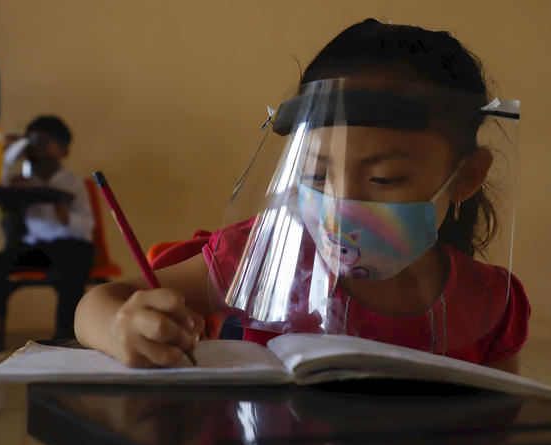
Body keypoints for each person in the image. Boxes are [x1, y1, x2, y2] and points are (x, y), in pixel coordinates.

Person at [73, 19, 530, 374]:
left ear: (467, 176)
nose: (341, 204)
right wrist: (121, 328)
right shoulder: (259, 255)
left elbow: (507, 426)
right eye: (315, 173)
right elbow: (95, 304)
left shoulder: (492, 302)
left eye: (385, 179)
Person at [0, 116, 96, 365]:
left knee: (70, 268)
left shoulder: (72, 183)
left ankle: (67, 336)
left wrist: (65, 217)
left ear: (64, 150)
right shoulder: (21, 178)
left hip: (71, 244)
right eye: (32, 141)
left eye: (45, 142)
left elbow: (87, 226)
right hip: (37, 249)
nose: (38, 147)